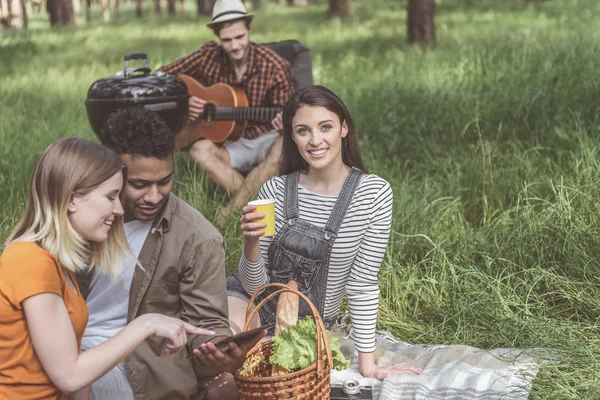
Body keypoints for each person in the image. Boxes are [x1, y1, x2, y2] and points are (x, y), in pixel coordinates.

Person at [226, 85, 424, 380]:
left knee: (273, 372)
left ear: (344, 128)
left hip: (308, 321)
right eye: (303, 130)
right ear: (292, 137)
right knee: (222, 354)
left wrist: (368, 365)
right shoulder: (275, 191)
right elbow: (255, 287)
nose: (315, 140)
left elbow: (362, 283)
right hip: (250, 302)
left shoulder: (373, 194)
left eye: (325, 127)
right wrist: (251, 243)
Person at [0, 137, 213, 400]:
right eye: (110, 197)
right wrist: (144, 324)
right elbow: (70, 375)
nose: (119, 209)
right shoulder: (30, 261)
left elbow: (77, 376)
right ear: (71, 199)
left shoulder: (56, 261)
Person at [76, 108, 265, 400]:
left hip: (136, 369)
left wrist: (219, 352)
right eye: (139, 185)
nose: (153, 196)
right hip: (68, 348)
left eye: (164, 181)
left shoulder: (197, 239)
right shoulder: (80, 213)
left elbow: (208, 324)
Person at [158, 0, 293, 225]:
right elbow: (162, 76)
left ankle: (228, 214)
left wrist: (286, 121)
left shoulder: (274, 66)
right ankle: (257, 199)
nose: (235, 45)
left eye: (240, 37)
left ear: (249, 29)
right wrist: (185, 102)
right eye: (227, 40)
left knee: (281, 149)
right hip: (231, 142)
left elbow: (291, 112)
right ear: (218, 37)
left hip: (267, 137)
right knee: (199, 151)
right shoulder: (208, 56)